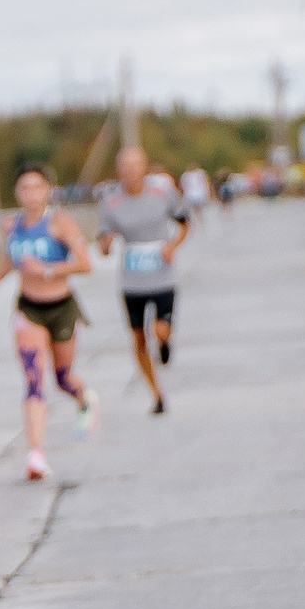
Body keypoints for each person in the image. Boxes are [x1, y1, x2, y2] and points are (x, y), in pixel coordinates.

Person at [0, 165, 94, 481]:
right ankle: (36, 454)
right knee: (33, 379)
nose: (30, 194)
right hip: (29, 309)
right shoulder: (11, 226)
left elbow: (85, 264)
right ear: (17, 193)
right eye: (24, 188)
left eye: (37, 187)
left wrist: (46, 269)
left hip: (62, 307)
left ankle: (85, 399)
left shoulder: (60, 223)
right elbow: (11, 258)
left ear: (47, 191)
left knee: (63, 377)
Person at [98, 145, 192, 414]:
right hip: (132, 280)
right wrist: (105, 245)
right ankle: (157, 394)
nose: (130, 171)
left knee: (160, 329)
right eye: (125, 166)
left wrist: (172, 246)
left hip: (162, 275)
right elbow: (104, 239)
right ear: (119, 170)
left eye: (135, 165)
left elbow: (185, 223)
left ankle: (164, 343)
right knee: (138, 339)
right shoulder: (111, 202)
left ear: (144, 167)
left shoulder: (162, 194)